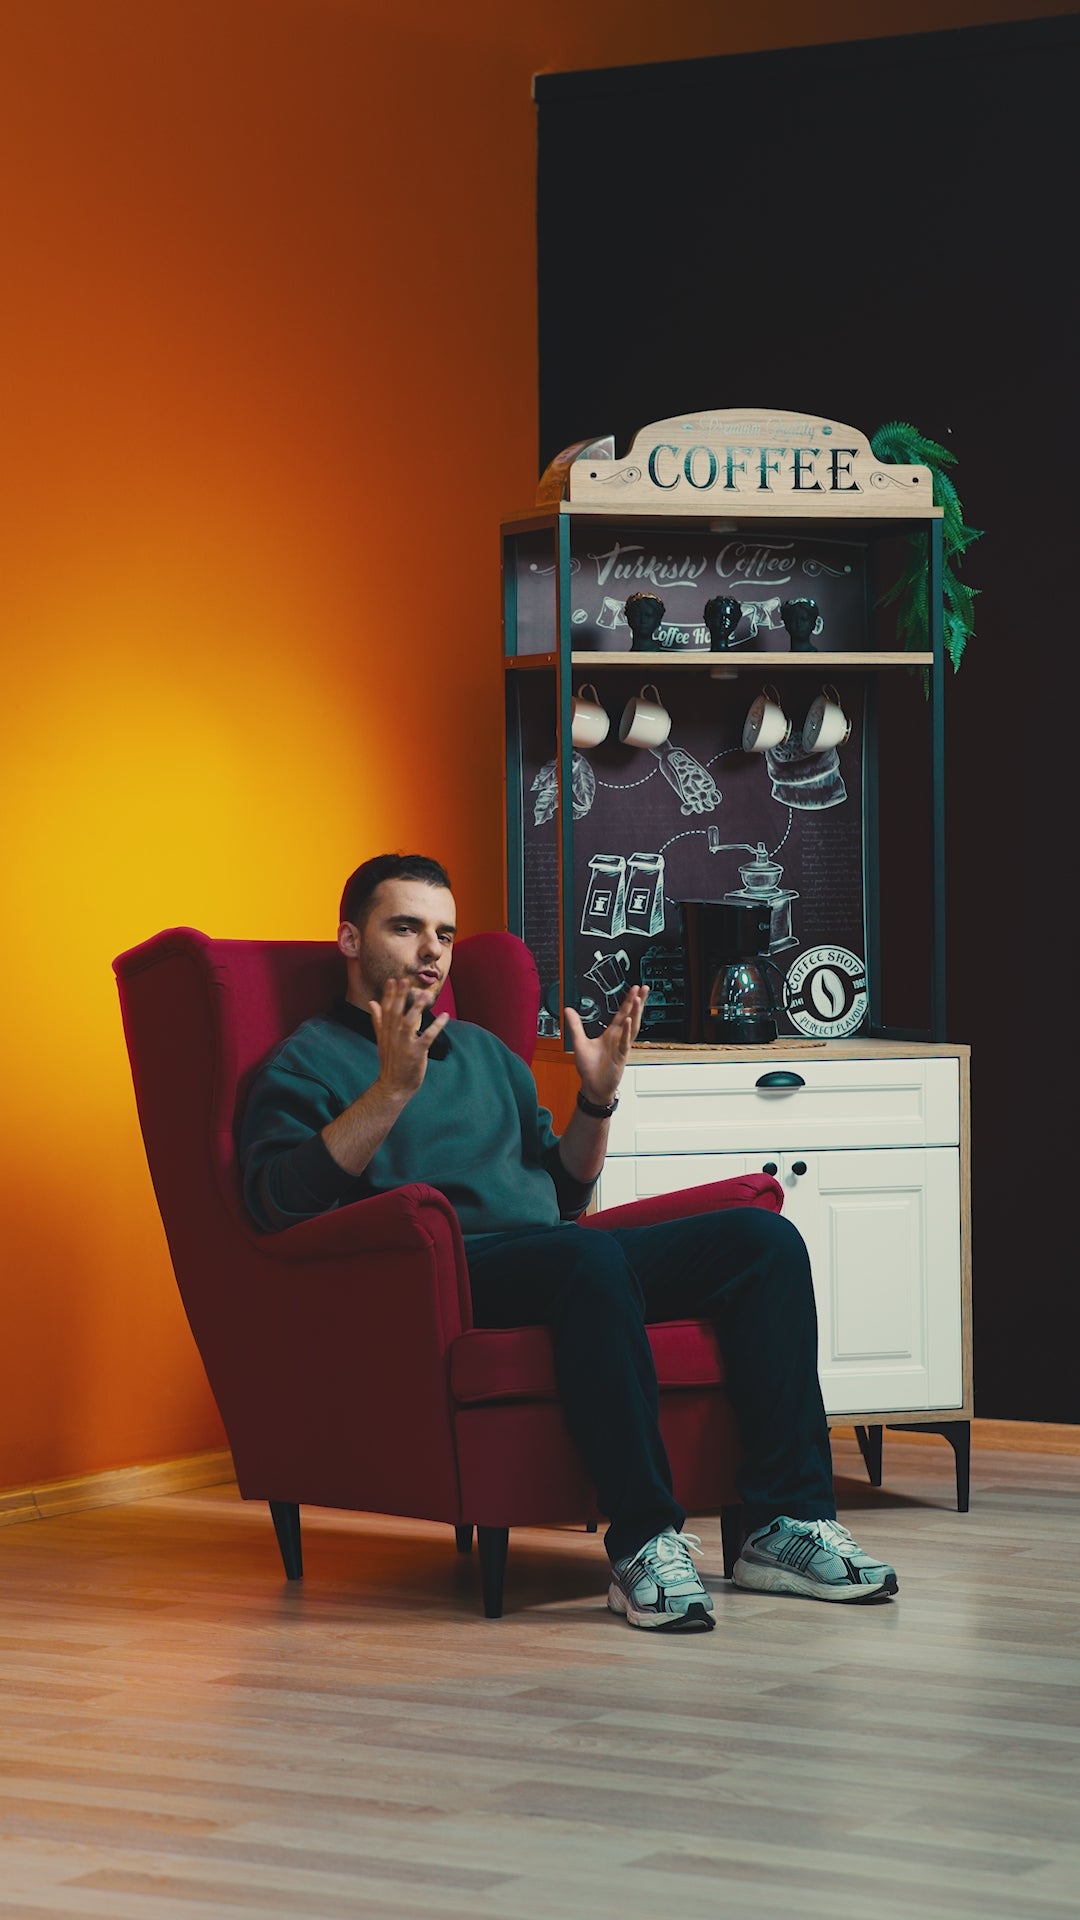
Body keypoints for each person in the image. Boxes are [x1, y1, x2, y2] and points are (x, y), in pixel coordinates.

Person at [240, 853, 898, 1632]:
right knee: (581, 1256)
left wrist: (596, 1100)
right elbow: (278, 1202)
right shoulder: (306, 1061)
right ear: (350, 939)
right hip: (438, 1277)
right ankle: (644, 1540)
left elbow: (560, 1193)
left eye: (444, 934)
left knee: (763, 1242)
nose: (431, 951)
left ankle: (780, 1525)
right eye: (406, 927)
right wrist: (389, 1093)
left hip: (549, 1254)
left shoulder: (486, 1053)